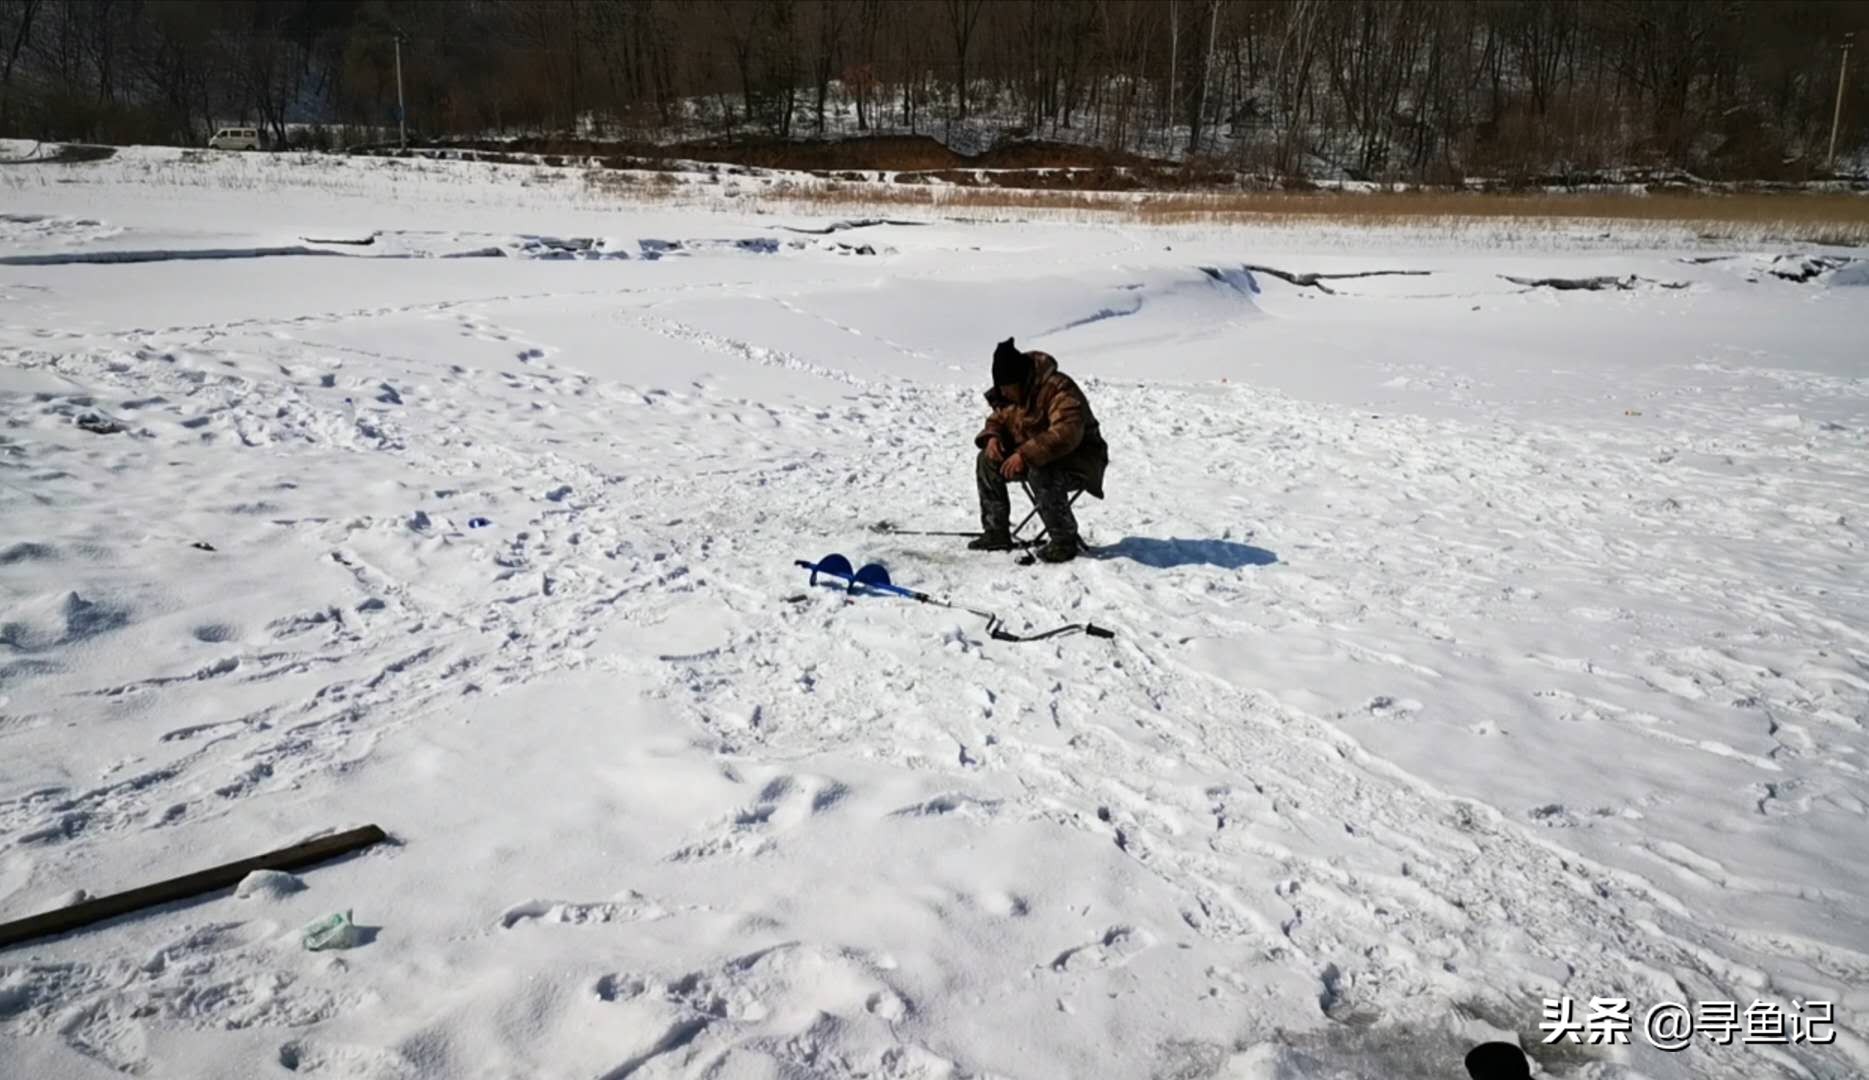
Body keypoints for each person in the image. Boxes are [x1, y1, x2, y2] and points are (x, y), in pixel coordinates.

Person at [971, 337, 1108, 563]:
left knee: (1041, 468)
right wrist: (992, 437)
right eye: (1001, 389)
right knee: (986, 459)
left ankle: (1064, 542)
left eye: (1007, 388)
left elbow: (1067, 432)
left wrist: (1024, 454)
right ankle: (996, 532)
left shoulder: (1058, 388)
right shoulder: (1012, 393)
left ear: (1020, 380)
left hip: (1080, 460)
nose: (1004, 394)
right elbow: (998, 419)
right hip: (1036, 456)